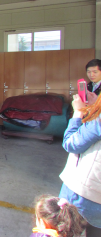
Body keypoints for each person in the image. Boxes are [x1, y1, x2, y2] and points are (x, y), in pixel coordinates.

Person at [59, 94, 101, 237]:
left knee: (65, 229)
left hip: (83, 195)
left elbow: (71, 143)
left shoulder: (99, 122)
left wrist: (78, 112)